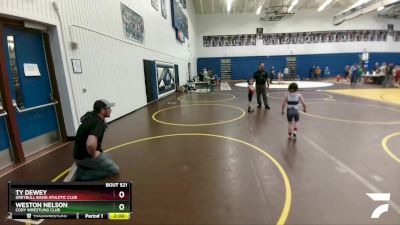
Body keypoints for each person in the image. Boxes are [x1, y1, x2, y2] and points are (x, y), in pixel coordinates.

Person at [73, 99, 119, 181]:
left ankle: (84, 167)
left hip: (78, 153)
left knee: (108, 157)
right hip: (84, 157)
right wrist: (94, 154)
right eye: (109, 108)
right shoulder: (98, 123)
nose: (111, 110)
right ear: (102, 110)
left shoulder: (91, 115)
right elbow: (90, 144)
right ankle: (82, 175)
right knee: (114, 169)